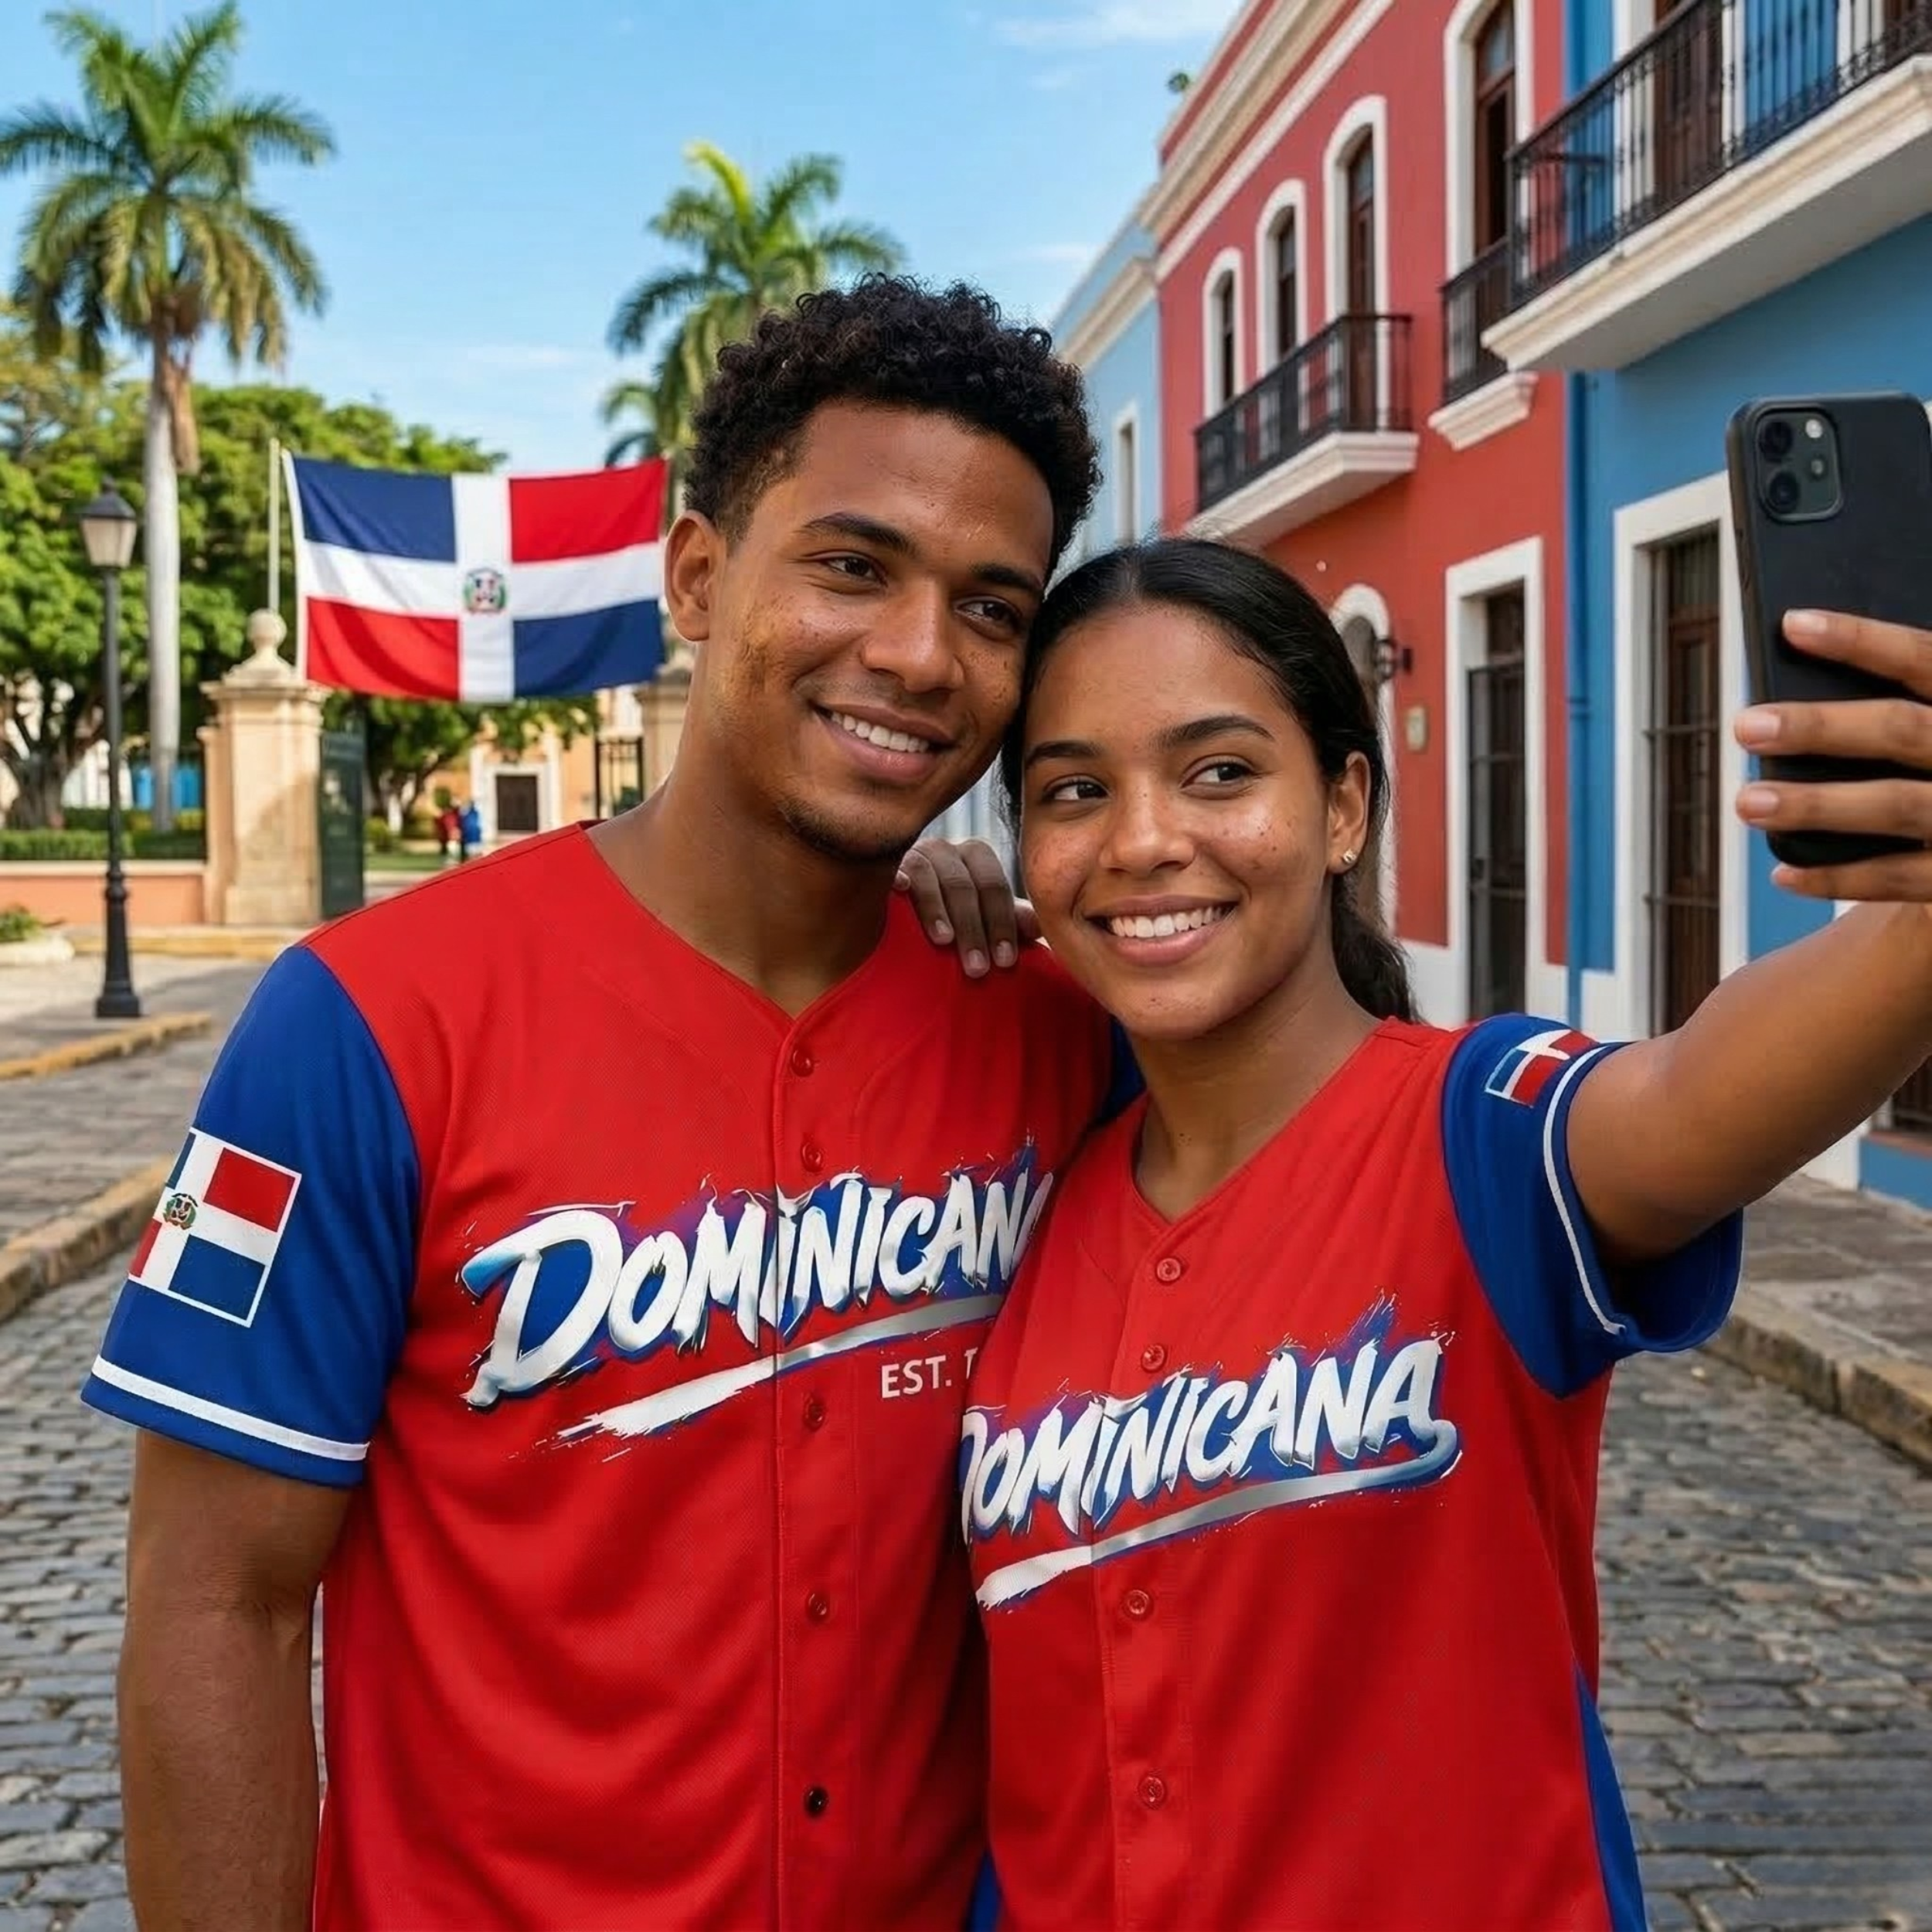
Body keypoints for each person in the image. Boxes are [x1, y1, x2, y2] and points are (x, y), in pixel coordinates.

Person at [81, 278, 1114, 1930]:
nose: (918, 654)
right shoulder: (354, 1025)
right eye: (851, 565)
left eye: (990, 606)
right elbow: (218, 1604)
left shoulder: (1058, 1041)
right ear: (698, 577)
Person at [957, 537, 1932, 1931]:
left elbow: (1693, 1092)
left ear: (1344, 803)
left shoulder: (1486, 1136)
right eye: (1073, 792)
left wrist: (1915, 927)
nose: (1142, 839)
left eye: (1221, 771)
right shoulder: (1026, 1200)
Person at [457, 796, 482, 861]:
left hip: (472, 835)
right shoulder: (470, 814)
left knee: (474, 854)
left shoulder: (471, 814)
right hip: (470, 836)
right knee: (473, 854)